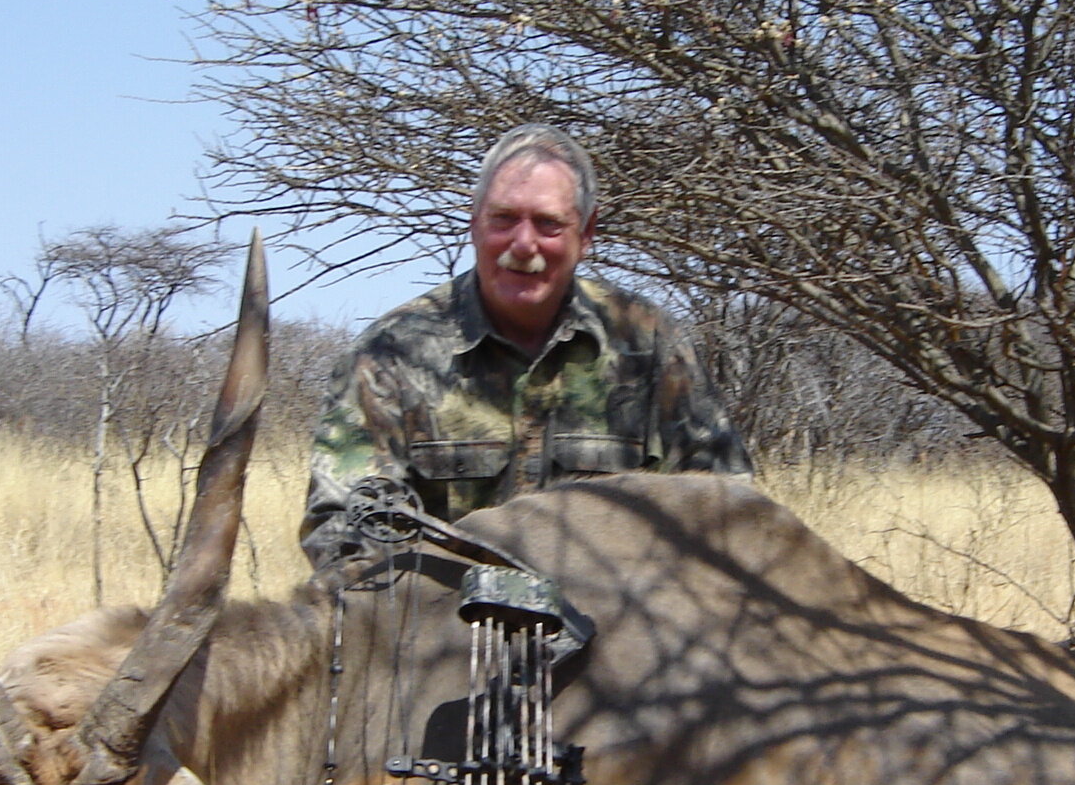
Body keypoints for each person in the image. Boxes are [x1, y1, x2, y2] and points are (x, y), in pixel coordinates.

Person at [301, 124, 751, 567]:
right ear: (474, 223)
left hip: (621, 623)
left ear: (587, 233)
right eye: (504, 219)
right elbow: (345, 533)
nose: (522, 244)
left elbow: (729, 507)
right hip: (448, 626)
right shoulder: (389, 355)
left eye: (548, 224)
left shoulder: (648, 341)